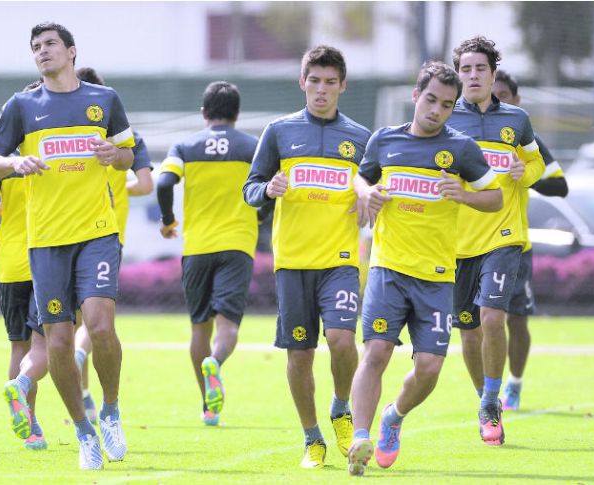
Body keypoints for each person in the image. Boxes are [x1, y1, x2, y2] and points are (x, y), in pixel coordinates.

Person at [0, 22, 135, 470]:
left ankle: (109, 410)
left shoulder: (103, 100)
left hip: (97, 233)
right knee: (60, 341)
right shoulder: (22, 106)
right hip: (45, 241)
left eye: (49, 44)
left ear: (70, 51)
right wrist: (13, 162)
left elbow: (129, 152)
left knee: (101, 325)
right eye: (35, 47)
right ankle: (84, 433)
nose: (41, 51)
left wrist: (114, 155)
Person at [345, 61, 502, 475]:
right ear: (416, 96)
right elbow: (360, 179)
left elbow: (496, 198)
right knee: (375, 351)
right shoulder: (384, 141)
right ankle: (360, 438)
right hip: (388, 270)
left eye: (447, 105)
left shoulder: (462, 149)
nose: (437, 110)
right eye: (431, 99)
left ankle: (393, 418)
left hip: (435, 277)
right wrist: (370, 192)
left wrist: (464, 195)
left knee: (429, 368)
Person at [243, 45, 371, 469]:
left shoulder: (359, 138)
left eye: (330, 82)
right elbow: (250, 188)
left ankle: (340, 406)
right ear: (302, 82)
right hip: (293, 262)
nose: (321, 90)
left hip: (340, 259)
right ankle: (312, 438)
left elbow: (375, 189)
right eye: (314, 81)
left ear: (342, 86)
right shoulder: (279, 132)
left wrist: (374, 200)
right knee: (299, 354)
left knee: (341, 339)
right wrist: (267, 191)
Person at [446, 36, 545, 446]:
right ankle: (485, 398)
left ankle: (491, 401)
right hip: (455, 243)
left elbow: (536, 160)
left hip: (504, 237)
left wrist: (528, 172)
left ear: (492, 73)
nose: (472, 76)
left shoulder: (516, 120)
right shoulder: (445, 119)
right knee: (468, 333)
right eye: (465, 69)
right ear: (458, 75)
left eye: (479, 69)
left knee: (492, 317)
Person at [156, 81, 261, 426]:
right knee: (227, 327)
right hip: (237, 244)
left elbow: (163, 183)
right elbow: (269, 191)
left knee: (199, 329)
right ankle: (216, 361)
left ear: (204, 113)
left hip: (197, 246)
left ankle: (207, 404)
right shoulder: (253, 147)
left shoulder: (185, 145)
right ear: (237, 113)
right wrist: (260, 217)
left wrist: (169, 220)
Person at [71, 66, 155, 426]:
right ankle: (89, 388)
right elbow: (146, 185)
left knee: (75, 319)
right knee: (96, 319)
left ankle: (86, 396)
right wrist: (120, 189)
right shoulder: (127, 137)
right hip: (108, 235)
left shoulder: (70, 134)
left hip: (65, 233)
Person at [0, 79, 51, 450]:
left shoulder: (4, 155)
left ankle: (29, 423)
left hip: (9, 260)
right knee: (45, 344)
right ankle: (26, 405)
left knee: (18, 346)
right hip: (47, 257)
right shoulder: (47, 151)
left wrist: (5, 211)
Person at [491, 70, 569, 411]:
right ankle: (487, 395)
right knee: (479, 323)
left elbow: (560, 185)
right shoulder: (465, 133)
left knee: (515, 319)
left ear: (517, 101)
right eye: (492, 94)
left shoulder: (526, 140)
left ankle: (515, 383)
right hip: (466, 244)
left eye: (504, 95)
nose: (497, 100)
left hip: (513, 244)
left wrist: (528, 176)